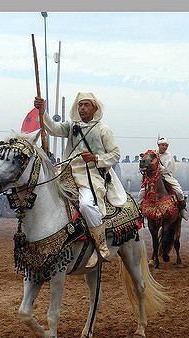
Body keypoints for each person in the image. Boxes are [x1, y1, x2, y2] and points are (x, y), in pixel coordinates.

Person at [34, 92, 126, 268]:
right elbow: (52, 128)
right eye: (80, 105)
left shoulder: (103, 130)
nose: (82, 108)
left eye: (86, 105)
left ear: (95, 108)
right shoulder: (71, 126)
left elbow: (115, 155)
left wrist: (95, 159)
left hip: (90, 175)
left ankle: (101, 246)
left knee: (85, 205)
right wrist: (43, 110)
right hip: (66, 172)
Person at [155, 137, 188, 220]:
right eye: (163, 145)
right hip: (154, 177)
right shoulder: (153, 154)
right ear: (159, 145)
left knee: (179, 192)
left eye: (166, 145)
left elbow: (167, 169)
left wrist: (158, 167)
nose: (164, 147)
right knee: (142, 191)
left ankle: (182, 210)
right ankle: (140, 210)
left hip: (166, 177)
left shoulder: (169, 157)